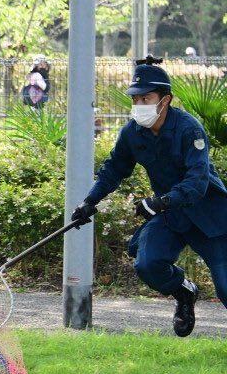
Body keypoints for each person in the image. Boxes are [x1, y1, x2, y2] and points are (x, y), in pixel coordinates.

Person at [72, 56, 227, 337]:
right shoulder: (132, 133)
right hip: (172, 216)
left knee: (226, 288)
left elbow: (197, 181)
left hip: (209, 216)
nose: (139, 105)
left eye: (146, 98)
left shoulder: (188, 129)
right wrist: (88, 202)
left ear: (165, 99)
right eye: (136, 99)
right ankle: (184, 292)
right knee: (148, 264)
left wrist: (161, 202)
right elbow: (114, 169)